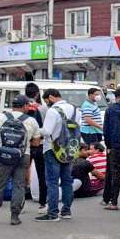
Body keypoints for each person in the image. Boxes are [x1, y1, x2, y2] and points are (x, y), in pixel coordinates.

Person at [0, 95, 39, 226]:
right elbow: (36, 142)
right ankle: (15, 217)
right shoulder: (32, 121)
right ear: (25, 106)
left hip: (2, 156)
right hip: (23, 156)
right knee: (19, 186)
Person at [38, 88, 82, 221]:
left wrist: (36, 129)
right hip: (70, 149)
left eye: (46, 101)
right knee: (67, 180)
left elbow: (47, 131)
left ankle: (52, 213)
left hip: (52, 149)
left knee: (52, 182)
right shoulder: (75, 110)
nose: (46, 104)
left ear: (51, 97)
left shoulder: (53, 111)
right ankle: (66, 211)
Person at [24, 83, 48, 212]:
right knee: (41, 174)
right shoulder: (43, 108)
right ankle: (43, 204)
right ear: (37, 94)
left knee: (21, 173)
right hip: (40, 144)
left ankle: (20, 202)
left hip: (25, 144)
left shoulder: (23, 107)